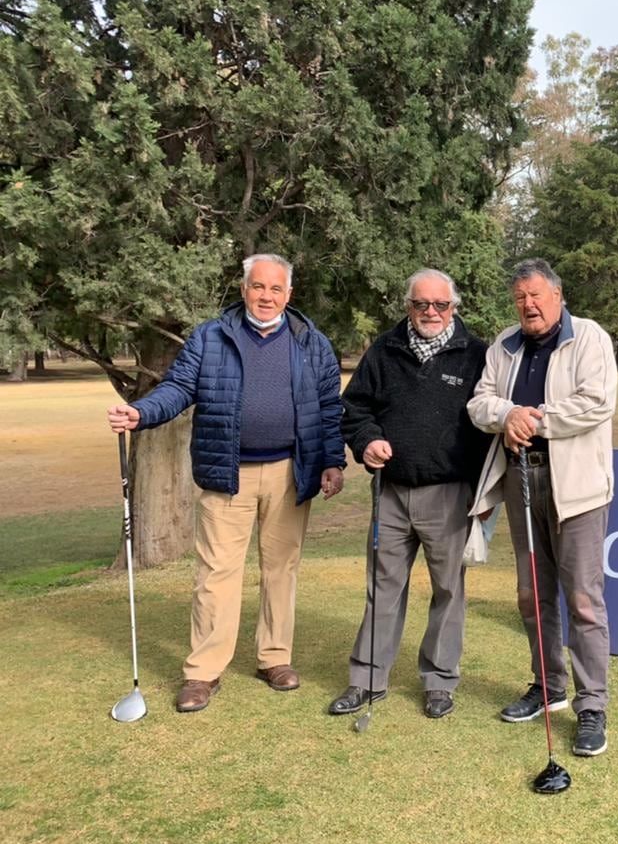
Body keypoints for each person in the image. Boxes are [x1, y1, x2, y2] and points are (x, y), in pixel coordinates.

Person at [106, 253, 346, 713]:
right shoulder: (210, 336)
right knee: (216, 574)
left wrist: (332, 462)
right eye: (258, 287)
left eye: (276, 289)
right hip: (226, 472)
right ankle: (203, 672)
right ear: (244, 289)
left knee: (281, 570)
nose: (266, 296)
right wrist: (140, 414)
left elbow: (327, 408)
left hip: (290, 473)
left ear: (288, 295)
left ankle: (274, 658)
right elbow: (178, 389)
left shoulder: (310, 341)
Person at [467, 258, 617, 756]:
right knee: (533, 595)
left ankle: (591, 705)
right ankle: (548, 686)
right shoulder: (505, 343)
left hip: (576, 486)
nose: (528, 305)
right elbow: (478, 402)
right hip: (519, 478)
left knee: (582, 599)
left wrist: (533, 421)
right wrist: (507, 413)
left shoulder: (590, 337)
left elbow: (596, 402)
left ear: (558, 295)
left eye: (536, 295)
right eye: (520, 298)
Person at [328, 268, 489, 720]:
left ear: (454, 307)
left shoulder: (476, 354)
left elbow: (487, 426)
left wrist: (482, 495)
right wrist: (367, 441)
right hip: (392, 491)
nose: (431, 312)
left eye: (440, 305)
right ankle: (367, 678)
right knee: (382, 587)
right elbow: (355, 408)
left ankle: (439, 681)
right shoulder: (385, 348)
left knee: (448, 590)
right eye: (421, 304)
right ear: (408, 306)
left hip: (450, 493)